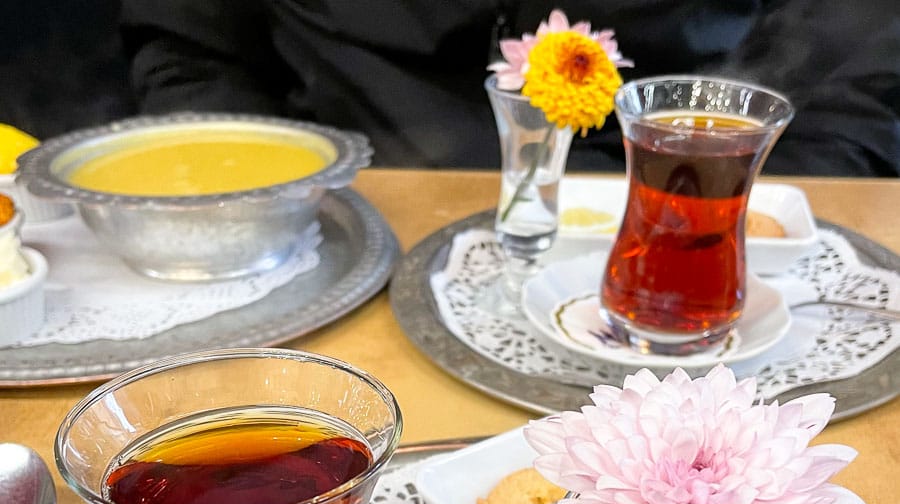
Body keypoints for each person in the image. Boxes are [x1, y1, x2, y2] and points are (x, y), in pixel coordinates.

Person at [120, 0, 899, 175]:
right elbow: (191, 47)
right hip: (354, 199)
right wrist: (277, 196)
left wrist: (761, 195)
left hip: (689, 195)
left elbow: (862, 65)